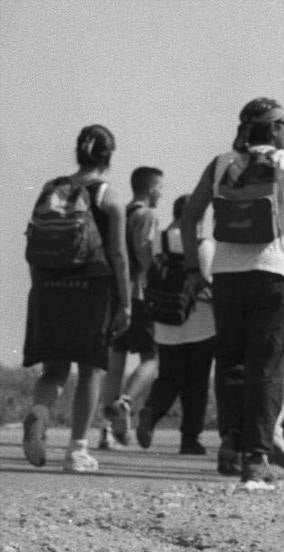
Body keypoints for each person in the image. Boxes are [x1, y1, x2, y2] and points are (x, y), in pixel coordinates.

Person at [181, 96, 284, 487]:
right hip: (275, 275)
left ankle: (230, 442)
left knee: (229, 360)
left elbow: (190, 217)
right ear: (278, 128)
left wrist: (192, 269)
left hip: (227, 276)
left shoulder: (220, 164)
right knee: (266, 366)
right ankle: (256, 457)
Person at [21, 124, 130, 473]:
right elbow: (119, 255)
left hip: (48, 287)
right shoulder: (109, 197)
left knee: (53, 371)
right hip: (92, 290)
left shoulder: (51, 190)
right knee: (90, 371)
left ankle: (40, 412)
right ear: (109, 156)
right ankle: (76, 451)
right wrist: (125, 302)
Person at [135, 194, 216, 455]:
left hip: (165, 323)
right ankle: (189, 439)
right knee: (197, 384)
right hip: (200, 324)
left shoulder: (158, 241)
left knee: (168, 377)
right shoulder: (204, 245)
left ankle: (151, 411)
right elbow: (206, 283)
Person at [100, 165, 164, 449]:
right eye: (160, 187)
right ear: (151, 188)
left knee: (115, 361)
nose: (161, 193)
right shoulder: (148, 215)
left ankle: (106, 429)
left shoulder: (120, 213)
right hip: (140, 294)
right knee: (152, 356)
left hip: (115, 295)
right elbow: (144, 251)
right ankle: (126, 402)